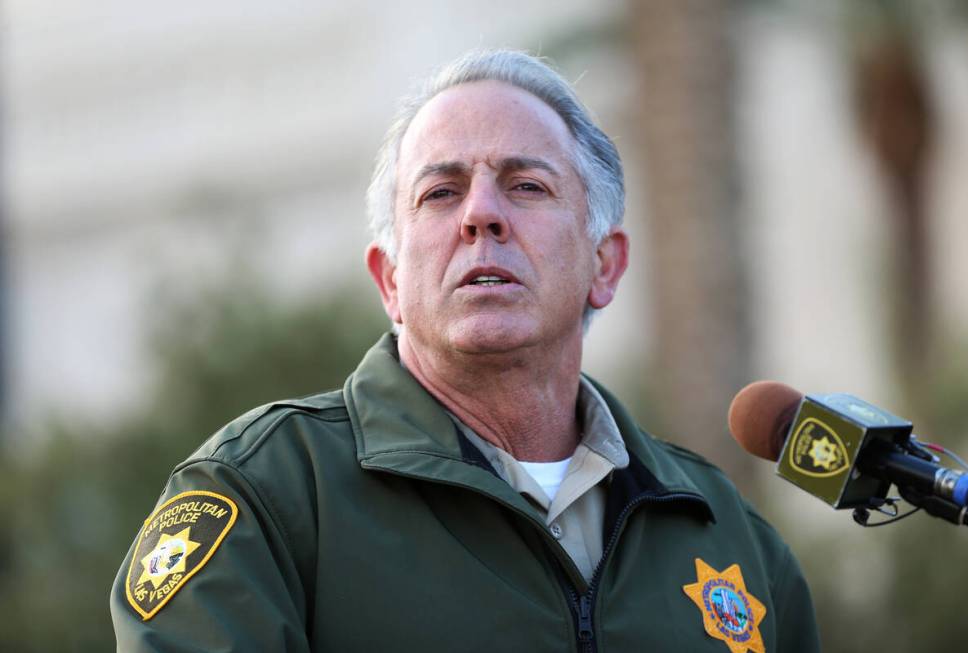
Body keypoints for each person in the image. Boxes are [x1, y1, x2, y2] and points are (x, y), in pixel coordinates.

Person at [110, 49, 820, 652]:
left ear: (604, 265)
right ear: (389, 279)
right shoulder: (266, 497)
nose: (482, 213)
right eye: (441, 192)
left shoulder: (729, 536)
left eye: (527, 185)